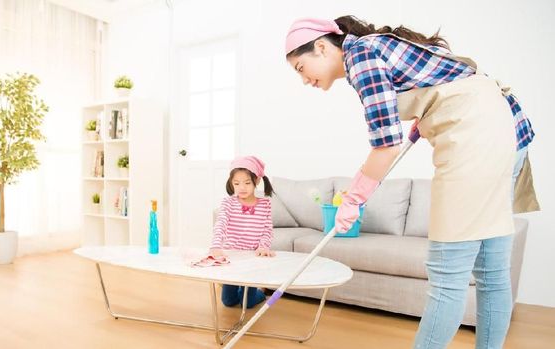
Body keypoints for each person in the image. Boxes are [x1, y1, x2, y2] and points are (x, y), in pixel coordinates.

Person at [285, 15, 539, 349]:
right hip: (505, 129)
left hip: (475, 137)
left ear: (321, 47)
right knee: (491, 274)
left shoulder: (359, 56)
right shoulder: (375, 47)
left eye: (301, 68)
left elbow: (386, 145)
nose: (305, 80)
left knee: (447, 275)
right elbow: (445, 79)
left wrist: (354, 197)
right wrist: (427, 114)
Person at [210, 155, 275, 308]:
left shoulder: (265, 204)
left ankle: (259, 291)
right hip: (232, 258)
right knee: (228, 301)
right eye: (237, 183)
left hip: (252, 259)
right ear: (231, 183)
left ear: (257, 181)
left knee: (247, 303)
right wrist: (215, 246)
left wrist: (263, 247)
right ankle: (242, 289)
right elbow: (220, 224)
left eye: (247, 183)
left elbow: (267, 229)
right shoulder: (228, 202)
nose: (242, 188)